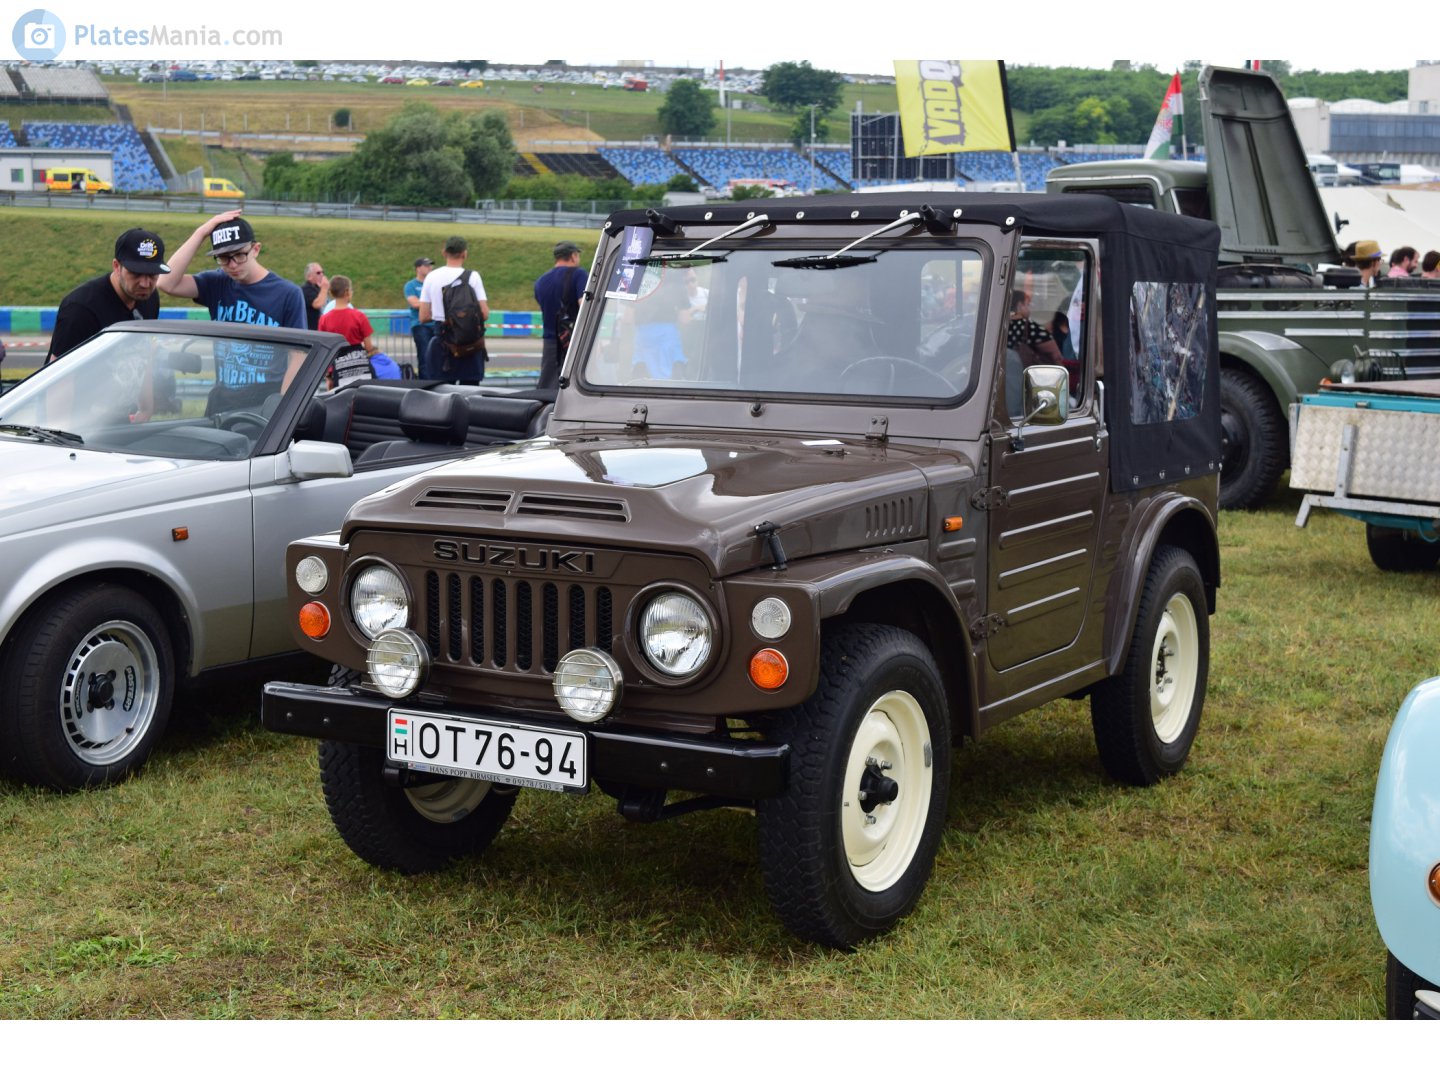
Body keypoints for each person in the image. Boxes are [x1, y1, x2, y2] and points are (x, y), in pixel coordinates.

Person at [158, 211, 307, 399]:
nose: (233, 265)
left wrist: (283, 405)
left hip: (265, 398)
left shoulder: (288, 293)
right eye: (223, 258)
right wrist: (201, 233)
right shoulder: (216, 283)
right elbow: (166, 283)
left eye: (239, 255)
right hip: (222, 398)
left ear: (256, 249)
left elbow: (298, 356)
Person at [46, 227, 169, 364]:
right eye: (136, 273)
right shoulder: (80, 309)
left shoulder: (150, 298)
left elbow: (146, 358)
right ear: (117, 267)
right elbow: (59, 374)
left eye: (152, 274)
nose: (145, 284)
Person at [418, 235, 489, 384]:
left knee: (442, 392)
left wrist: (442, 315)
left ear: (444, 252)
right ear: (464, 253)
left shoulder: (431, 277)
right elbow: (484, 313)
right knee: (469, 392)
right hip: (469, 342)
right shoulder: (473, 277)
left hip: (443, 341)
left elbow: (423, 316)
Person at [533, 240, 586, 390]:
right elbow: (584, 305)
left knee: (548, 386)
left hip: (550, 341)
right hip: (572, 340)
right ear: (573, 256)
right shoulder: (578, 275)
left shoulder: (541, 281)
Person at [318, 275, 378, 388]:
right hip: (361, 365)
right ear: (347, 292)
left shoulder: (324, 319)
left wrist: (329, 375)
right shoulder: (359, 316)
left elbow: (325, 351)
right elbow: (369, 347)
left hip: (339, 367)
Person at [405, 256, 435, 366]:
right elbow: (415, 304)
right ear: (418, 268)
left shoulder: (434, 284)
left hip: (436, 324)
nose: (430, 268)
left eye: (430, 265)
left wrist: (425, 304)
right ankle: (425, 381)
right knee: (425, 356)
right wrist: (434, 304)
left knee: (439, 356)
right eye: (426, 265)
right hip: (420, 325)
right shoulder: (411, 285)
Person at [301, 261, 330, 330]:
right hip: (311, 330)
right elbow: (317, 304)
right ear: (309, 276)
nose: (322, 275)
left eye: (323, 272)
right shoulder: (306, 289)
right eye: (318, 273)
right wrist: (324, 288)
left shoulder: (317, 288)